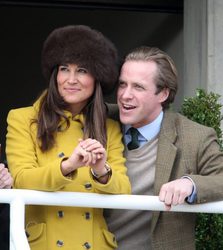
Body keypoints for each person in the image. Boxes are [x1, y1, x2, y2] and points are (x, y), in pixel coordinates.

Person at [105, 46, 223, 250]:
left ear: (163, 93)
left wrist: (191, 184)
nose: (125, 95)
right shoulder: (97, 120)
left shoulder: (194, 137)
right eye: (122, 84)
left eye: (138, 87)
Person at [6, 25, 131, 250]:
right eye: (65, 69)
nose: (71, 79)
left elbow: (124, 190)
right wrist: (69, 166)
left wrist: (101, 170)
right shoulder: (22, 119)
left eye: (82, 70)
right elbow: (22, 180)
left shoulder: (109, 127)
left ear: (97, 78)